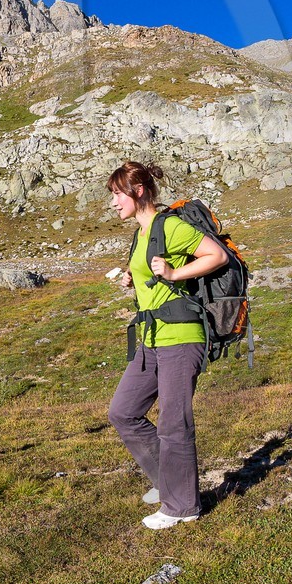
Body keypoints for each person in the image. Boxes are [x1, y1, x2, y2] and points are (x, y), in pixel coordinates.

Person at [105, 161, 227, 530]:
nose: (113, 203)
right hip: (151, 339)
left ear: (138, 191)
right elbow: (150, 276)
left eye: (116, 195)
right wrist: (132, 280)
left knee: (173, 424)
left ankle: (183, 507)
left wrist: (175, 274)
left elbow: (216, 255)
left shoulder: (170, 226)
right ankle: (169, 483)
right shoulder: (141, 234)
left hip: (181, 337)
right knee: (123, 412)